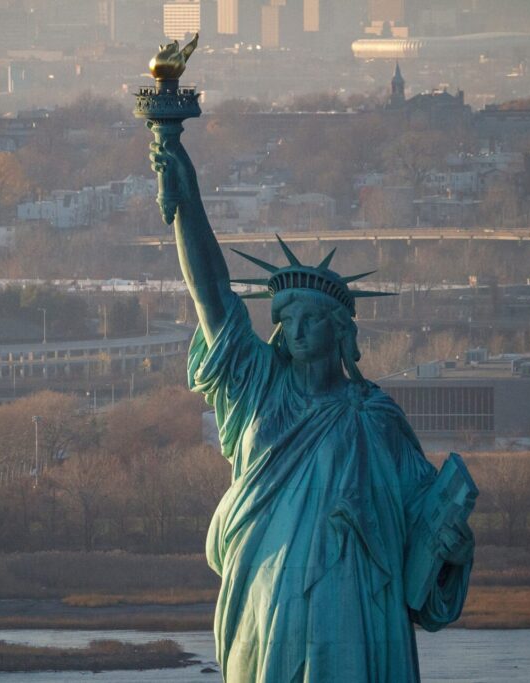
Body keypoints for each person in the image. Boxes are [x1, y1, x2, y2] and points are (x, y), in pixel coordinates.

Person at [149, 138, 475, 682]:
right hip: (266, 592)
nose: (294, 330)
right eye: (285, 318)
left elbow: (422, 517)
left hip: (354, 607)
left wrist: (451, 551)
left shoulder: (376, 418)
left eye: (310, 319)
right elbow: (212, 295)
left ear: (341, 331)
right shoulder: (258, 385)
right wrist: (188, 198)